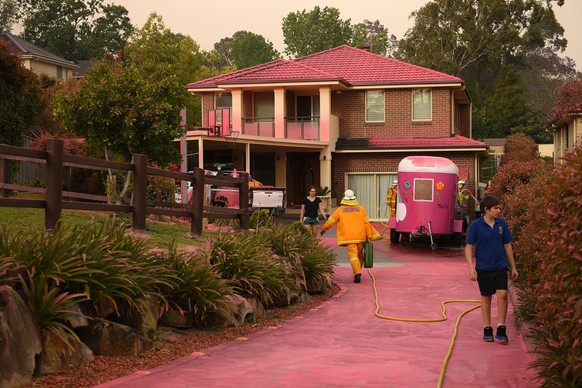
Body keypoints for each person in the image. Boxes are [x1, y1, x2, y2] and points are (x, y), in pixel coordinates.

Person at [464, 195, 518, 344]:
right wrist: (470, 268)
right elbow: (469, 247)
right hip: (483, 267)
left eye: (499, 208)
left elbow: (507, 245)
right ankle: (487, 328)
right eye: (496, 208)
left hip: (500, 265)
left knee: (502, 294)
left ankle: (501, 328)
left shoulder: (502, 224)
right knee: (486, 297)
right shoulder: (475, 226)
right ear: (486, 210)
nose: (499, 211)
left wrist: (513, 266)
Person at [320, 189, 381, 283]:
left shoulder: (340, 210)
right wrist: (369, 236)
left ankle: (357, 274)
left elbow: (331, 221)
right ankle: (358, 272)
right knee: (360, 255)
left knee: (353, 255)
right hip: (361, 236)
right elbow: (366, 224)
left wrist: (324, 229)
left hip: (348, 237)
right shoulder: (361, 209)